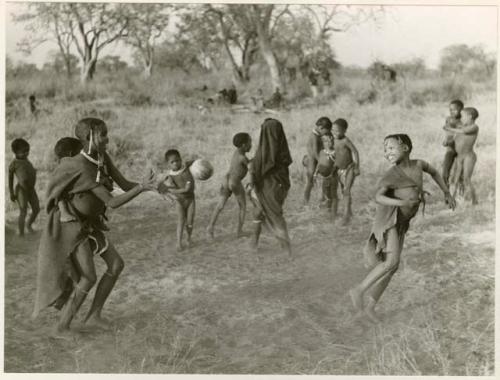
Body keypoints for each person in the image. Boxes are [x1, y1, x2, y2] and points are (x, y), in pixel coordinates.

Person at [33, 117, 157, 334]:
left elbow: (125, 184)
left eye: (107, 133)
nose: (108, 139)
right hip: (72, 229)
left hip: (91, 226)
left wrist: (151, 187)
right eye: (103, 135)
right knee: (88, 277)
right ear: (89, 138)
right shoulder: (79, 166)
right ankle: (61, 327)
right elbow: (112, 202)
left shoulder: (101, 157)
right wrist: (141, 189)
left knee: (116, 265)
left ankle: (93, 316)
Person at [349, 134, 455, 323]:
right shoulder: (392, 174)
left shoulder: (419, 165)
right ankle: (358, 290)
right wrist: (403, 201)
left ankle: (370, 307)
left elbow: (435, 173)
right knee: (390, 263)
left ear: (405, 148)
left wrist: (446, 192)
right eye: (385, 149)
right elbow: (378, 197)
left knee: (392, 266)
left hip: (401, 223)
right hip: (390, 219)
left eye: (390, 148)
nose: (386, 152)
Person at [247, 118, 293, 257]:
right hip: (278, 187)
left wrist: (252, 172)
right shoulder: (282, 150)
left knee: (275, 216)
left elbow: (261, 167)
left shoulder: (264, 152)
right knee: (260, 213)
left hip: (270, 187)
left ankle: (286, 248)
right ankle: (254, 243)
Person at [207, 133, 252, 239]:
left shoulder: (236, 153)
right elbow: (252, 169)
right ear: (244, 145)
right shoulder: (243, 158)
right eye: (250, 142)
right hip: (234, 181)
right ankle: (239, 231)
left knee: (220, 206)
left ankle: (210, 227)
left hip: (226, 179)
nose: (251, 145)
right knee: (243, 206)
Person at [158, 149, 196, 252]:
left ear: (181, 159)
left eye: (177, 160)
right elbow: (162, 188)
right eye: (172, 162)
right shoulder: (169, 176)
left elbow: (195, 161)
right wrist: (167, 190)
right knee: (181, 221)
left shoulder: (186, 167)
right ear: (168, 164)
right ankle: (178, 243)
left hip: (190, 199)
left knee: (190, 221)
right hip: (179, 201)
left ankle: (188, 239)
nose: (176, 163)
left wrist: (199, 165)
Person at [444, 107, 479, 205]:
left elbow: (464, 131)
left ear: (470, 117)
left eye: (463, 116)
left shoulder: (474, 127)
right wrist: (447, 142)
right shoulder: (460, 128)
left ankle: (474, 203)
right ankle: (453, 203)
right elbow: (454, 139)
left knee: (466, 179)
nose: (461, 118)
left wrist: (450, 128)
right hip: (459, 157)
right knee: (454, 180)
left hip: (469, 156)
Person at [331, 118, 360, 225]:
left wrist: (357, 167)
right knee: (343, 191)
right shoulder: (332, 140)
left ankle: (346, 216)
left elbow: (355, 152)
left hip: (349, 168)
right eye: (333, 130)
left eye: (337, 131)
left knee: (346, 191)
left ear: (344, 131)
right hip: (338, 170)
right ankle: (349, 212)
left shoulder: (345, 141)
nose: (335, 133)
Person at [8, 138, 40, 236]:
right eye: (24, 152)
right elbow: (10, 179)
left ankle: (29, 225)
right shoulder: (14, 164)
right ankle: (21, 233)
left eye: (28, 151)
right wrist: (11, 193)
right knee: (23, 211)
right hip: (21, 190)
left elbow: (27, 170)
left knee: (36, 209)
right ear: (16, 152)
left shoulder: (26, 159)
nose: (26, 153)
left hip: (31, 189)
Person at [303, 117, 333, 206]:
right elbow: (315, 152)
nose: (327, 133)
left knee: (321, 182)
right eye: (326, 131)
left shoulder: (319, 134)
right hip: (312, 160)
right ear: (321, 128)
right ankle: (305, 203)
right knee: (310, 182)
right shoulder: (314, 137)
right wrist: (321, 163)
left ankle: (323, 201)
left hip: (318, 159)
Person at [53, 137, 84, 222]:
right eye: (80, 152)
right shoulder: (63, 167)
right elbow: (56, 185)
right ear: (71, 154)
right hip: (61, 194)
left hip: (71, 195)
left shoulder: (74, 166)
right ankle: (64, 213)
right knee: (60, 195)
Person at [442, 99, 464, 187]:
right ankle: (447, 195)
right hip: (450, 149)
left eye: (454, 110)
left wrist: (451, 140)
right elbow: (448, 133)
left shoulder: (464, 120)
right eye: (450, 110)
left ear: (461, 110)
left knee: (459, 175)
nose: (452, 112)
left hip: (461, 150)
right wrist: (445, 140)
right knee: (444, 173)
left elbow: (461, 134)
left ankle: (461, 196)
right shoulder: (448, 119)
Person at [314, 133, 337, 213]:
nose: (328, 143)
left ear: (333, 141)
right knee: (321, 192)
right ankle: (320, 207)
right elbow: (319, 163)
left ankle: (329, 209)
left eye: (331, 141)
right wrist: (315, 173)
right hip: (321, 176)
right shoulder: (322, 152)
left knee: (329, 192)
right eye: (325, 141)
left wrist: (332, 172)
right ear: (323, 143)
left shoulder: (334, 152)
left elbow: (336, 164)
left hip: (330, 176)